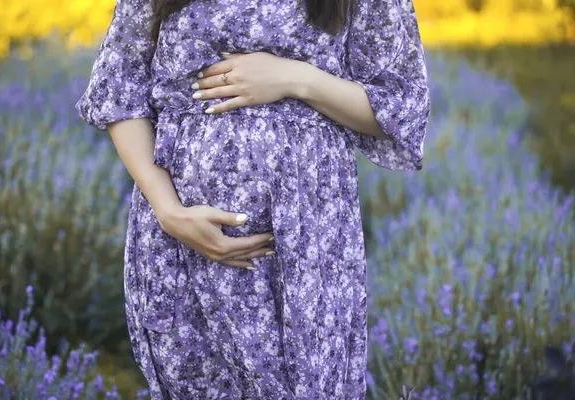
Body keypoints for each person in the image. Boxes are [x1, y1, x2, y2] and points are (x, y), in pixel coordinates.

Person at [74, 0, 430, 398]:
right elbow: (119, 86)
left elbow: (401, 108)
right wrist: (167, 209)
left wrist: (298, 79)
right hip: (183, 244)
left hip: (306, 249)